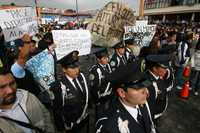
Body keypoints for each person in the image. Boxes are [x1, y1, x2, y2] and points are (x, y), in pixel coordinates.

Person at [96, 60, 156, 133]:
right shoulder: (109, 126)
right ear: (122, 93)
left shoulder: (141, 103)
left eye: (144, 85)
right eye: (138, 88)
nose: (145, 91)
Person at [0, 67, 55, 133]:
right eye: (2, 87)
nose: (10, 91)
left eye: (12, 83)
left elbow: (46, 117)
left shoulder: (29, 97)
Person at [50, 51, 89, 133]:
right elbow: (57, 111)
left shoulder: (81, 77)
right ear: (64, 69)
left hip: (84, 119)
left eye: (77, 66)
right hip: (71, 125)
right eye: (72, 68)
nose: (76, 70)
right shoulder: (59, 87)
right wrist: (61, 129)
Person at [145, 54, 174, 123]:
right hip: (152, 115)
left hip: (158, 111)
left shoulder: (158, 76)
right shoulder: (148, 83)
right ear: (154, 68)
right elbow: (147, 105)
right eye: (163, 68)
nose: (166, 71)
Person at [89, 47, 113, 119]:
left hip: (108, 94)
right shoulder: (95, 70)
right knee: (100, 115)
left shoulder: (108, 66)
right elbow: (94, 87)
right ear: (98, 59)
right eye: (104, 58)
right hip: (100, 98)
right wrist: (97, 100)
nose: (107, 59)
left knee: (108, 114)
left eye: (107, 57)